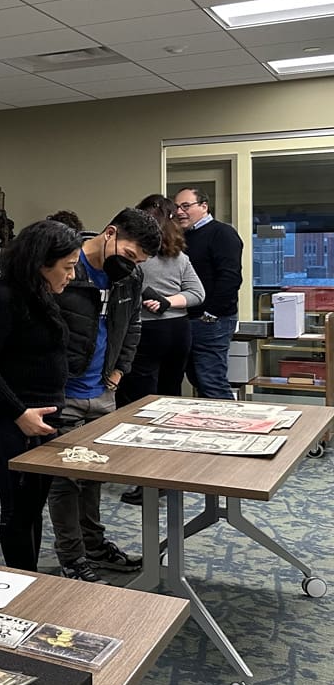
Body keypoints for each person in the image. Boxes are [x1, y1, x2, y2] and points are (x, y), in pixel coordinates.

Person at [49, 208, 161, 582]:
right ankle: (72, 556)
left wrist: (118, 371)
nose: (131, 266)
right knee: (64, 481)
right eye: (129, 255)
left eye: (138, 262)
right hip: (62, 392)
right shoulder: (66, 266)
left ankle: (94, 546)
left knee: (94, 473)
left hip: (102, 392)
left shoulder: (130, 277)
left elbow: (132, 327)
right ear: (110, 234)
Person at [0, 221, 79, 571]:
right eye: (67, 267)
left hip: (39, 417)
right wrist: (18, 413)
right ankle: (22, 581)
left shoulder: (39, 293)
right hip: (6, 418)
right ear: (42, 264)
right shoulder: (0, 296)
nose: (71, 275)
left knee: (31, 505)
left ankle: (30, 578)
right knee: (16, 506)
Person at [118, 194, 205, 505]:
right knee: (170, 403)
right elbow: (197, 293)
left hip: (148, 333)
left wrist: (158, 300)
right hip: (178, 331)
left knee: (141, 408)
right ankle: (169, 475)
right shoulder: (179, 256)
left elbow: (128, 283)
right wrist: (171, 302)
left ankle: (147, 479)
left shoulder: (135, 255)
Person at [174, 187, 243, 400]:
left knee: (212, 383)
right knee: (197, 379)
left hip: (212, 320)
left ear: (204, 206)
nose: (179, 212)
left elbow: (230, 278)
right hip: (189, 319)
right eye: (176, 207)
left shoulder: (222, 233)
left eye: (186, 206)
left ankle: (230, 430)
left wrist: (211, 314)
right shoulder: (183, 237)